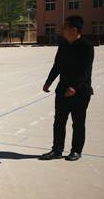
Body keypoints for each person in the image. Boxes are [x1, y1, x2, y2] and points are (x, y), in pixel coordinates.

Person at [40, 15, 94, 161]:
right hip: (62, 89)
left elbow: (85, 71)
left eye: (65, 27)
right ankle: (57, 150)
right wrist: (48, 82)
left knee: (78, 123)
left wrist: (74, 87)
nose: (62, 30)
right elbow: (57, 65)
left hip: (80, 92)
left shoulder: (86, 46)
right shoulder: (63, 44)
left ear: (73, 30)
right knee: (59, 122)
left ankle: (76, 151)